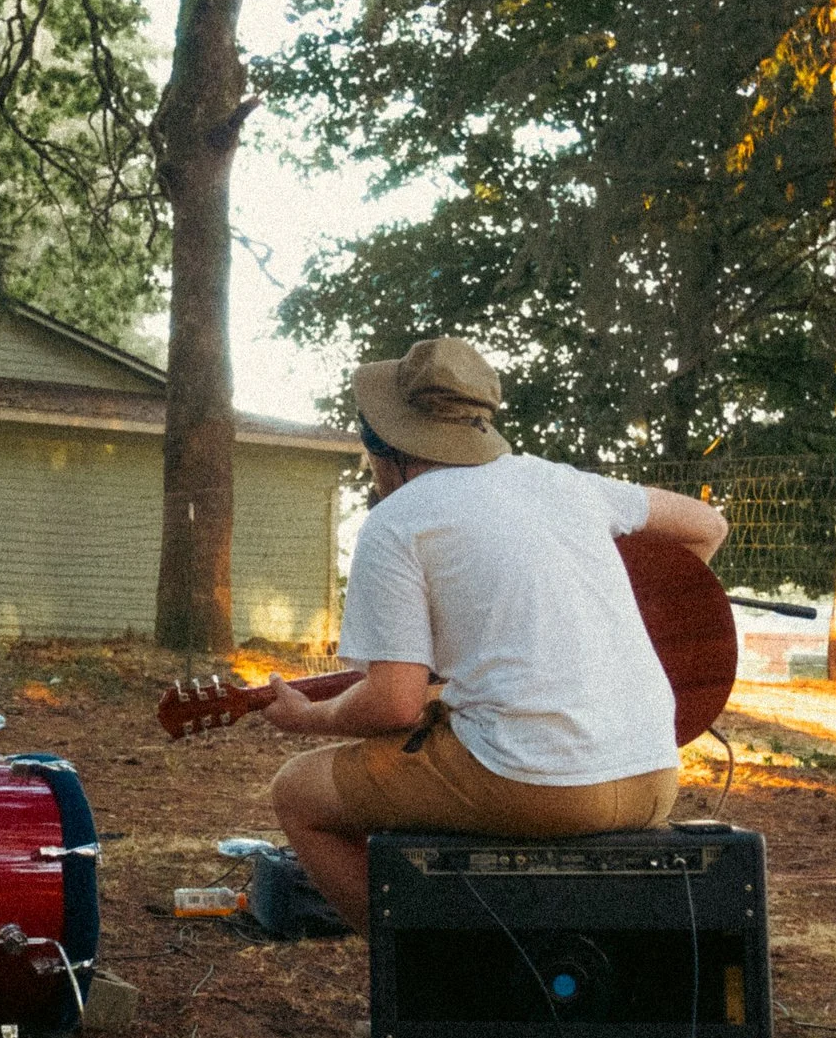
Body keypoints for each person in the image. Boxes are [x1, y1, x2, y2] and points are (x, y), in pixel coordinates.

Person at [262, 336, 729, 932]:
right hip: (656, 773)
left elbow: (395, 702)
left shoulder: (397, 521)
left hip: (532, 782)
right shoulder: (564, 482)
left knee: (299, 794)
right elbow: (706, 527)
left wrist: (310, 719)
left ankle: (420, 993)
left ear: (384, 445)